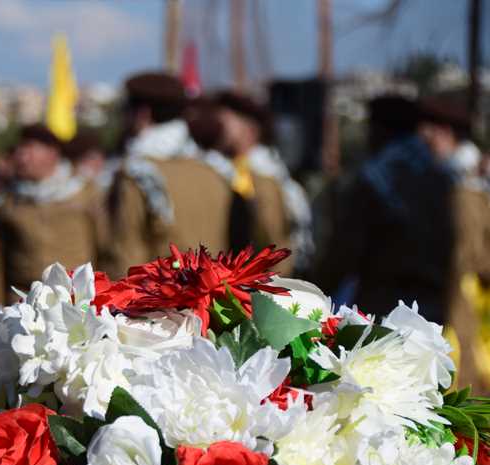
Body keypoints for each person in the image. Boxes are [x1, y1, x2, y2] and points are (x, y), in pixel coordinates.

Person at [316, 95, 456, 323]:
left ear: (381, 129)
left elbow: (344, 251)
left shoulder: (375, 178)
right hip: (432, 310)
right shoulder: (442, 178)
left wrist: (315, 291)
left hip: (383, 306)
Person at [107, 72, 246, 276]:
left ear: (142, 114)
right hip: (216, 297)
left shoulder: (137, 173)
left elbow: (128, 254)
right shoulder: (214, 170)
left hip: (159, 302)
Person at [0, 123, 106, 306]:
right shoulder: (8, 203)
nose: (22, 158)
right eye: (20, 151)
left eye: (30, 150)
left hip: (77, 300)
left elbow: (106, 247)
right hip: (23, 301)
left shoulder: (86, 194)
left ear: (52, 153)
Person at [418, 97, 490, 393]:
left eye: (430, 135)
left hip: (467, 296)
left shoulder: (462, 184)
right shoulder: (469, 178)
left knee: (467, 374)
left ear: (445, 133)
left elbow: (466, 253)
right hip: (473, 293)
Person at [216, 91, 313, 275]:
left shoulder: (265, 172)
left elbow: (275, 236)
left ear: (251, 128)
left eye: (226, 122)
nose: (218, 128)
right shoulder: (234, 167)